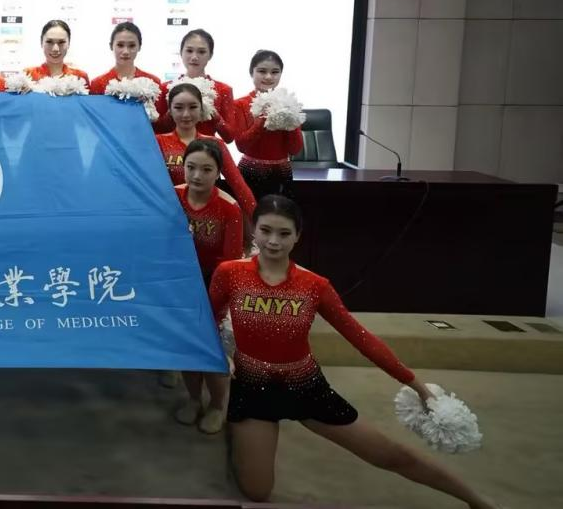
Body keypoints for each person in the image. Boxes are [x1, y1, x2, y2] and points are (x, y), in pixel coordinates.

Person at [212, 195, 498, 509]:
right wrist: (220, 360)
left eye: (284, 233)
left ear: (298, 236)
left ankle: (477, 499)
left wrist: (418, 386)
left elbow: (361, 338)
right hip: (252, 388)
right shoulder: (229, 273)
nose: (273, 241)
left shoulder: (314, 285)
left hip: (304, 386)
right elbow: (207, 319)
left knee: (390, 455)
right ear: (254, 230)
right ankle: (236, 432)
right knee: (257, 492)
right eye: (266, 230)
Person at [172, 139, 243, 435]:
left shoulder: (229, 208)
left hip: (215, 283)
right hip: (180, 283)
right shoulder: (172, 197)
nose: (197, 176)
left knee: (211, 351)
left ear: (218, 172)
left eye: (206, 169)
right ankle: (193, 398)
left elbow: (230, 264)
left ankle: (216, 404)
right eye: (190, 167)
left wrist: (214, 304)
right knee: (187, 348)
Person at [156, 82, 256, 219]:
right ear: (170, 110)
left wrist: (257, 218)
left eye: (193, 107)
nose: (186, 114)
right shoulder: (158, 143)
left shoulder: (216, 144)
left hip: (209, 219)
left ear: (201, 109)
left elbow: (239, 187)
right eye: (178, 108)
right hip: (168, 215)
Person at [234, 49, 304, 200]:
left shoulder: (289, 103)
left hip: (281, 171)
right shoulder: (240, 104)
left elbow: (295, 149)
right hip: (250, 170)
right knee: (250, 212)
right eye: (262, 71)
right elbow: (241, 145)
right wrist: (261, 122)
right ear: (251, 72)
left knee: (280, 212)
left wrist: (290, 119)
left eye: (275, 72)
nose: (268, 77)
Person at [155, 29, 240, 141]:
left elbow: (229, 137)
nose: (194, 57)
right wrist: (172, 112)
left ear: (210, 55)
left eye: (201, 52)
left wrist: (214, 114)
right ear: (181, 52)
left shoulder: (223, 90)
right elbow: (157, 130)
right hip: (172, 150)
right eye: (189, 51)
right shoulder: (166, 88)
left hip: (208, 149)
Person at [88, 22, 161, 95]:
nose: (126, 51)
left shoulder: (153, 83)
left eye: (132, 45)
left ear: (139, 47)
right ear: (111, 46)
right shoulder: (97, 84)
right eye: (120, 45)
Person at [25, 20, 89, 85]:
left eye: (61, 42)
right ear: (41, 43)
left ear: (69, 44)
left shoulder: (80, 77)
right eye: (49, 42)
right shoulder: (28, 75)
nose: (55, 49)